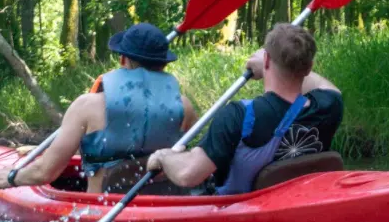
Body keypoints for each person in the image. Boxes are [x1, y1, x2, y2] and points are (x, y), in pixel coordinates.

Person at [0, 23, 198, 193]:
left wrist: (12, 176)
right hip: (163, 214)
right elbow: (193, 162)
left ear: (122, 60)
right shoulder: (185, 107)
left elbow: (46, 172)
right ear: (163, 65)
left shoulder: (87, 106)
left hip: (102, 218)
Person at [146, 23, 342, 194]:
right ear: (309, 68)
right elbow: (329, 88)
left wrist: (163, 157)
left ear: (266, 61)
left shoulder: (239, 115)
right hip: (300, 204)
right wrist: (291, 62)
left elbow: (188, 175)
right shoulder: (327, 107)